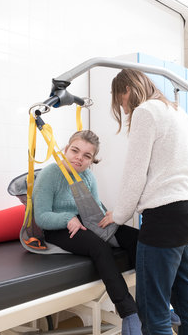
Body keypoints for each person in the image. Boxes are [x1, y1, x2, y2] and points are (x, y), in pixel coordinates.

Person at [99, 69, 188, 335]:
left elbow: (134, 173)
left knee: (154, 311)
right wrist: (173, 175)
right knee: (187, 302)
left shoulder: (145, 112)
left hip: (165, 220)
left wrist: (119, 214)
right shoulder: (177, 112)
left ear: (126, 90)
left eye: (120, 102)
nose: (124, 109)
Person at [33, 130, 142, 335]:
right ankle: (129, 312)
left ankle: (149, 304)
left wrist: (110, 216)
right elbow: (41, 217)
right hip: (57, 227)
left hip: (85, 221)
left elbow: (95, 212)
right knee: (98, 246)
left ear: (91, 160)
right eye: (75, 151)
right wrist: (67, 219)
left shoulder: (88, 176)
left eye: (86, 155)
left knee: (137, 238)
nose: (79, 158)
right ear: (65, 150)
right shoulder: (50, 174)